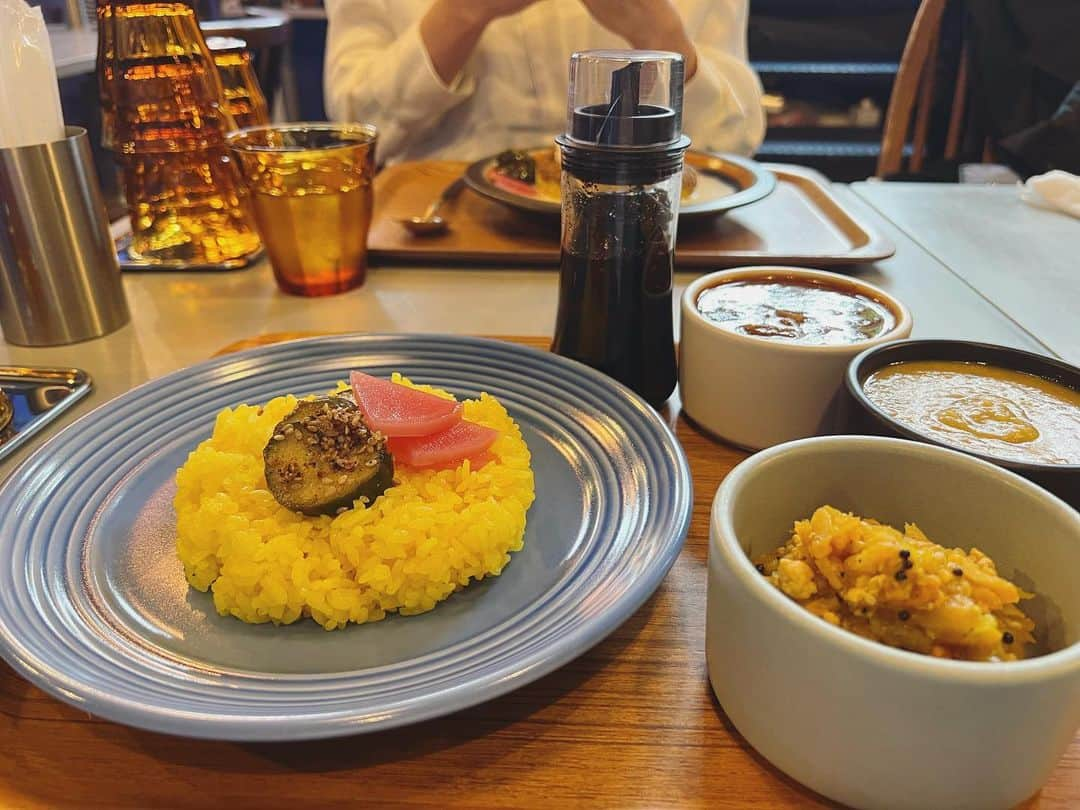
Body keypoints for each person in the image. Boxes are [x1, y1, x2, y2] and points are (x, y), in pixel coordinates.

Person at [324, 0, 764, 163]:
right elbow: (354, 138)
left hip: (652, 240)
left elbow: (734, 139)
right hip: (431, 244)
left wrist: (661, 35)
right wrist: (459, 15)